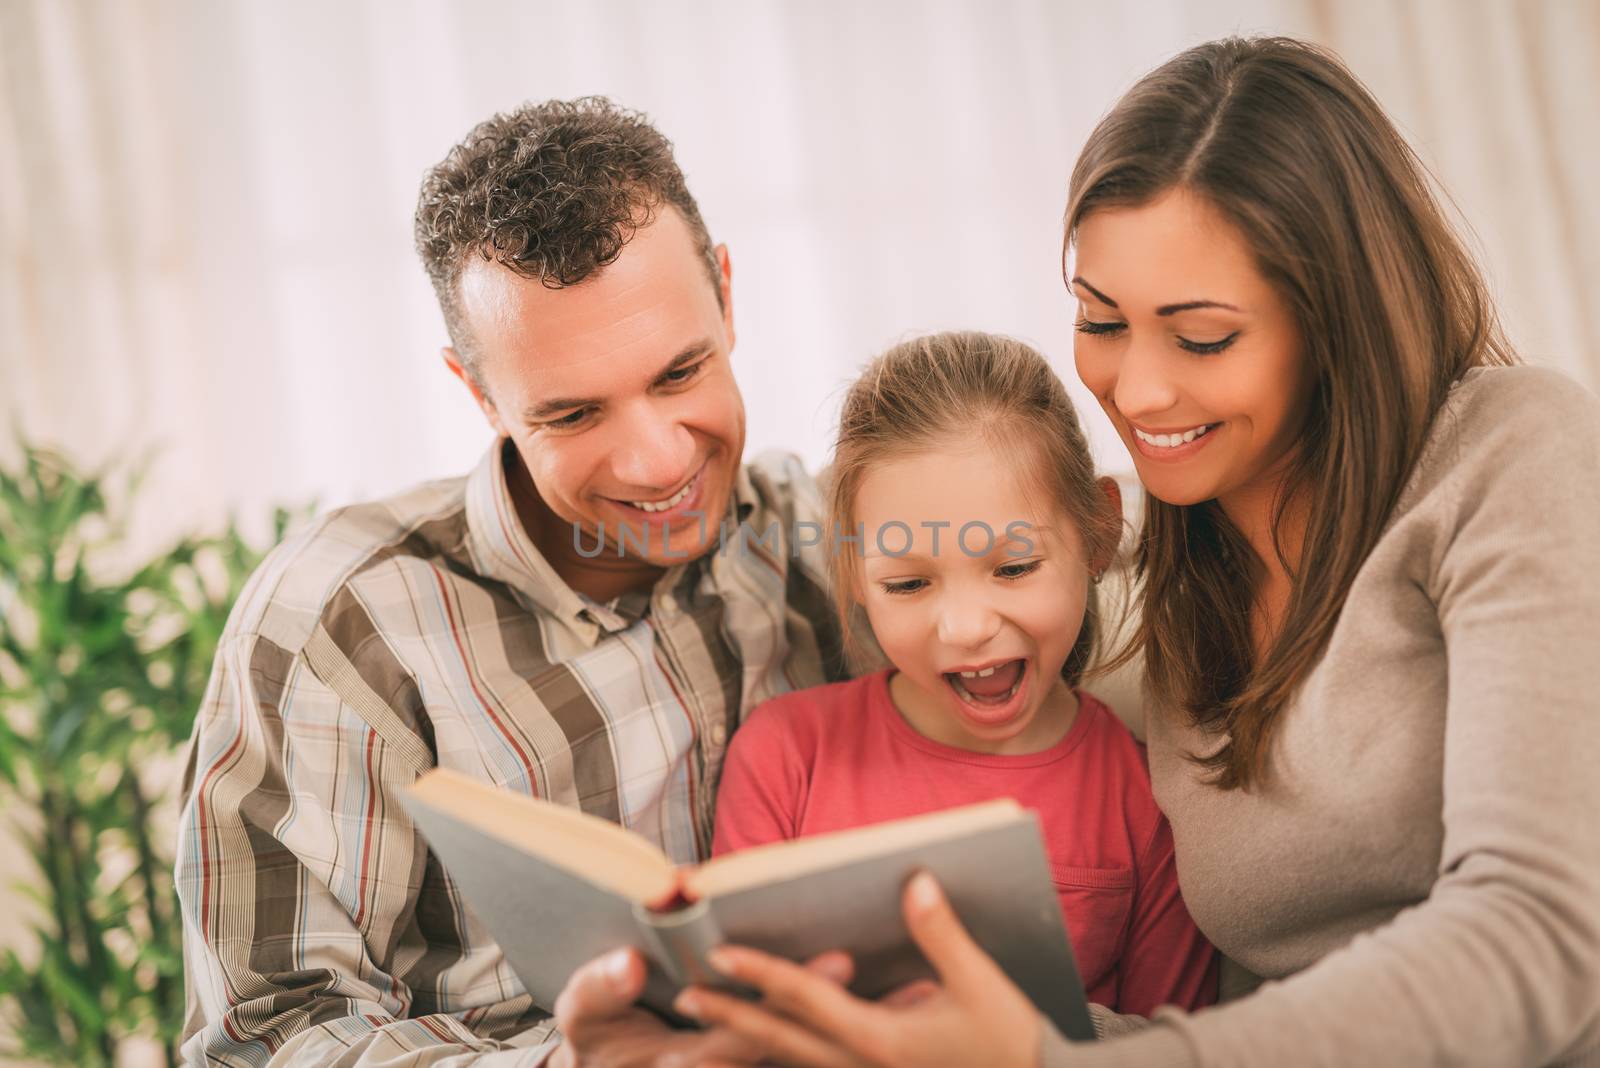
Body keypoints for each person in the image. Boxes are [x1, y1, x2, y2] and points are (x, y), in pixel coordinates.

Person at [671, 36, 1600, 1068]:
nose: (1139, 393)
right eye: (1101, 320)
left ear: (1334, 318)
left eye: (1200, 337)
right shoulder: (1163, 566)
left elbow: (1541, 938)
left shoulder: (1510, 452)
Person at [175, 97, 859, 1067]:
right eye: (573, 415)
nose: (658, 460)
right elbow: (268, 1037)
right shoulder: (339, 625)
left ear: (728, 298)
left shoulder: (830, 541)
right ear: (478, 392)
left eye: (679, 374)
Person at [710, 331, 1217, 1020]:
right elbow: (736, 1017)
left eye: (1012, 569)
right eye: (911, 582)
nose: (964, 627)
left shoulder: (1148, 803)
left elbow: (1174, 1049)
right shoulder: (783, 756)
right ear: (855, 574)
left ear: (1099, 530)